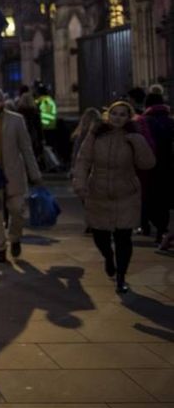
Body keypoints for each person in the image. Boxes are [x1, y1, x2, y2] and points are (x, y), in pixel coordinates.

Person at [73, 101, 155, 293]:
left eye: (122, 114)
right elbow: (83, 160)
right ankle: (109, 258)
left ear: (129, 117)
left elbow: (148, 164)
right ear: (108, 115)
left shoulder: (133, 136)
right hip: (98, 192)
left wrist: (138, 142)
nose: (118, 117)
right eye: (114, 113)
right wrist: (80, 184)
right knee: (100, 236)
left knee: (123, 237)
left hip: (126, 193)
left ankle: (121, 277)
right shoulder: (96, 134)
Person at [0, 87, 42, 263]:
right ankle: (0, 247)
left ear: (3, 101)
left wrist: (34, 173)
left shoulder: (17, 121)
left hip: (14, 173)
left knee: (17, 210)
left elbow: (26, 148)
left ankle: (15, 238)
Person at [137, 93, 173, 245]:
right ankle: (162, 229)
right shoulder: (171, 122)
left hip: (150, 166)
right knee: (164, 199)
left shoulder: (144, 122)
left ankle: (151, 225)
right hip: (169, 165)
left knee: (149, 197)